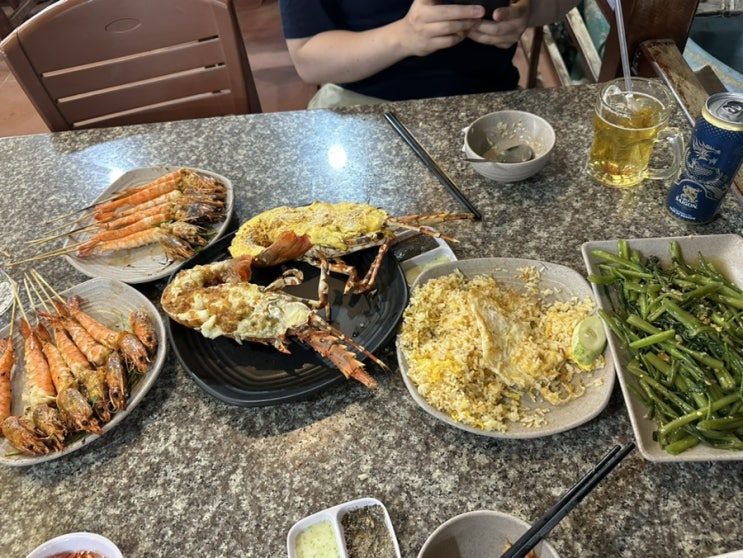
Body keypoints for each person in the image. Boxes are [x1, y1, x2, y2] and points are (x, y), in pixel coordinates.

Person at [279, 0, 582, 109]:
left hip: (489, 102)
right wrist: (403, 38)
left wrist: (529, 11)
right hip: (359, 107)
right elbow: (308, 58)